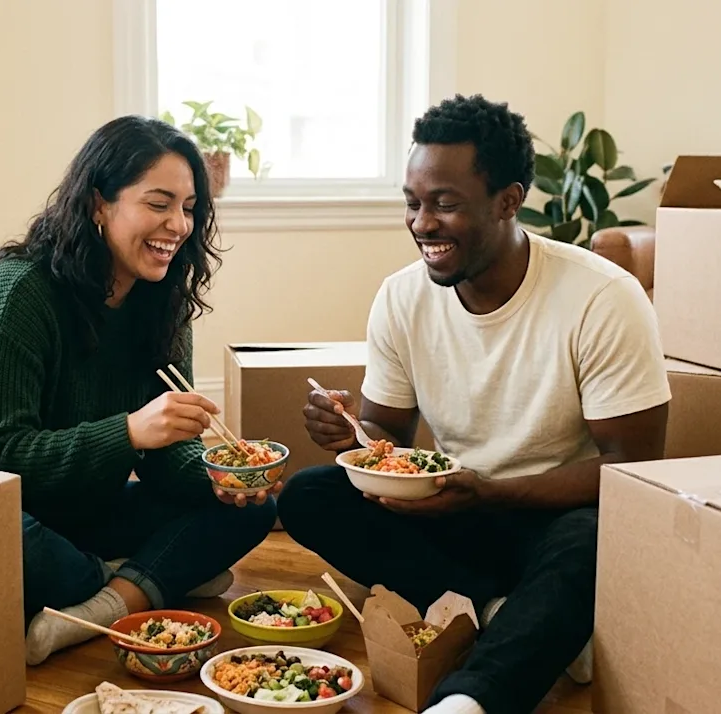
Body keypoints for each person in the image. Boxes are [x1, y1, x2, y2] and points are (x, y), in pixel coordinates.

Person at [276, 95, 670, 714]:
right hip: (453, 511)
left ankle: (469, 700)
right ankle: (505, 616)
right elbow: (388, 433)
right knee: (310, 495)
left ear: (508, 201)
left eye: (445, 204)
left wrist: (490, 490)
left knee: (593, 541)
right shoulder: (402, 297)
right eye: (413, 202)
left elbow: (631, 466)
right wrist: (350, 432)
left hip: (554, 518)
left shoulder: (602, 297)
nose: (422, 223)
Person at [0, 115, 279, 666]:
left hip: (83, 504)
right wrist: (131, 430)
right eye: (158, 204)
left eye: (189, 208)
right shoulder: (17, 295)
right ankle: (142, 577)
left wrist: (220, 478)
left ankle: (103, 604)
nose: (178, 225)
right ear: (99, 204)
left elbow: (166, 464)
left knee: (252, 511)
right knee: (37, 555)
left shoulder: (159, 302)